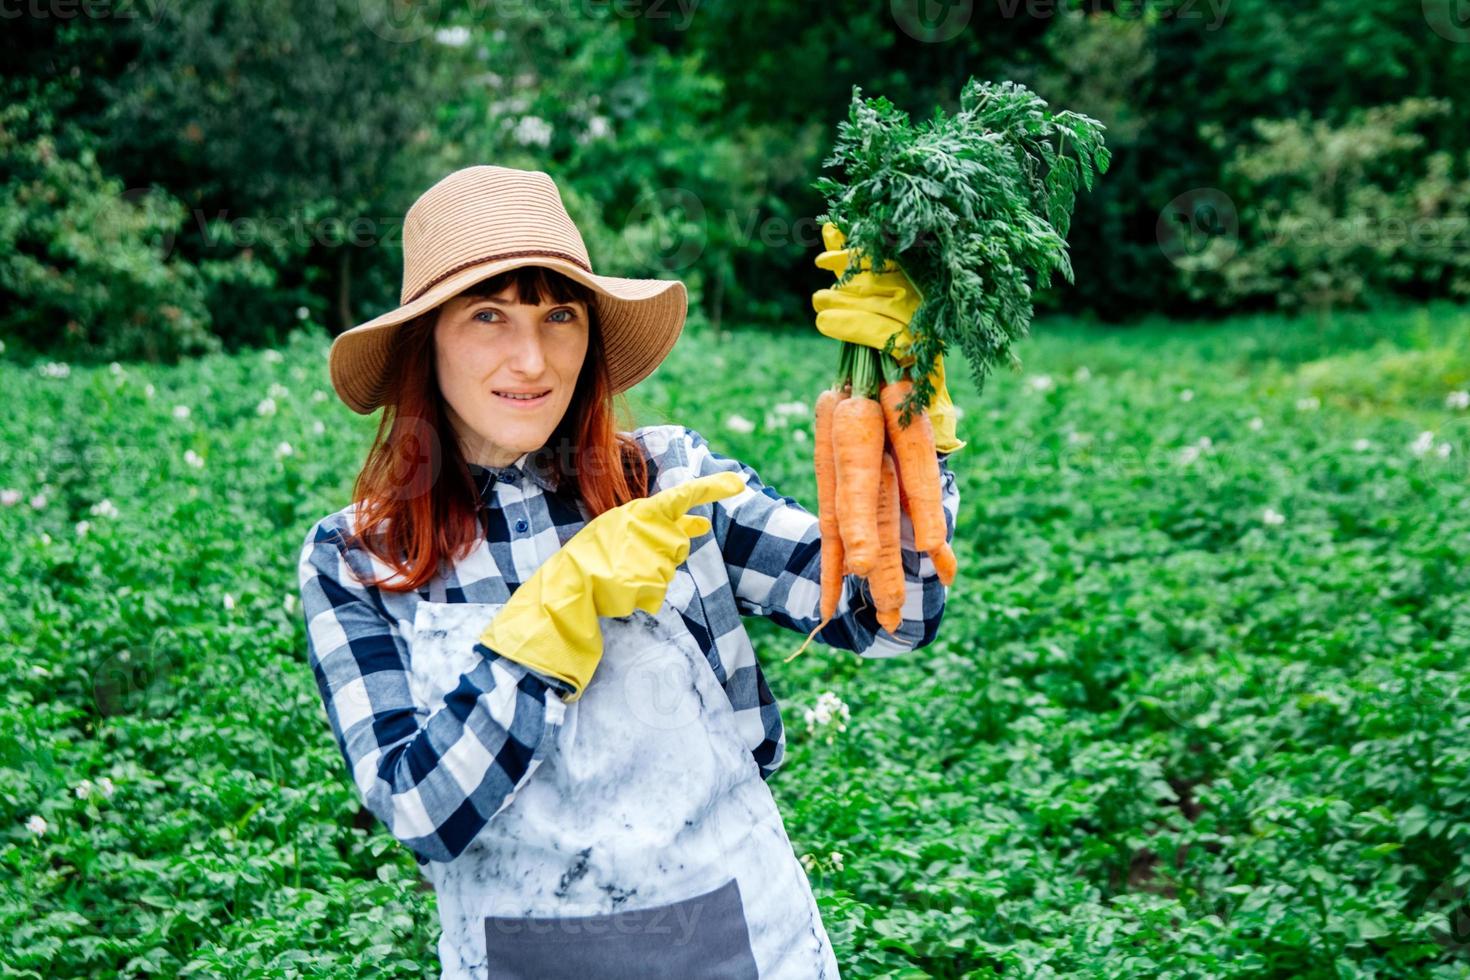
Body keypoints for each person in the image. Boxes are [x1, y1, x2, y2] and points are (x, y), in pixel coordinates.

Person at [296, 165, 963, 979]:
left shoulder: (670, 478)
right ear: (424, 340)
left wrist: (903, 426)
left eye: (560, 315)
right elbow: (418, 812)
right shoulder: (361, 558)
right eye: (488, 316)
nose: (532, 358)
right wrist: (544, 627)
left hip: (747, 943)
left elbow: (888, 618)